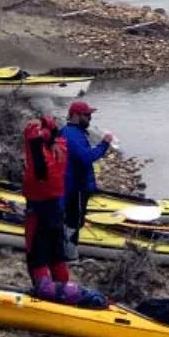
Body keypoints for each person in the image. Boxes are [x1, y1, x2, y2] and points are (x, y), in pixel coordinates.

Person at [62, 101, 113, 259]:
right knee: (73, 222)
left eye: (90, 115)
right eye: (87, 115)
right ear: (76, 116)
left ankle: (68, 252)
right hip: (74, 187)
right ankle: (70, 256)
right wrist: (104, 144)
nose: (90, 118)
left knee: (75, 220)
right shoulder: (70, 134)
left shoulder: (74, 132)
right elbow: (85, 157)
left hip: (78, 185)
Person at [22, 115, 69, 287]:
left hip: (38, 207)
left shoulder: (40, 158)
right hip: (55, 206)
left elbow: (33, 142)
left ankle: (41, 289)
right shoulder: (61, 147)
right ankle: (63, 287)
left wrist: (33, 128)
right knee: (57, 253)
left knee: (37, 253)